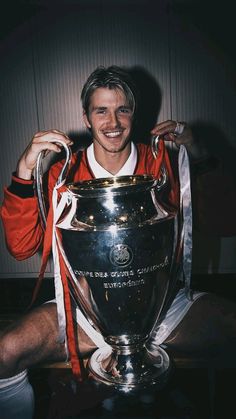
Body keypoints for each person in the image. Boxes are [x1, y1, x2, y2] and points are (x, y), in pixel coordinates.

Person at [0, 65, 236, 419]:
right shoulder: (64, 173)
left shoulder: (161, 162)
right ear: (86, 116)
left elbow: (224, 223)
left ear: (133, 113)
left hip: (163, 308)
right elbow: (21, 247)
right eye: (101, 110)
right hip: (86, 314)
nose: (113, 121)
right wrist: (23, 170)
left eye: (122, 109)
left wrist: (197, 155)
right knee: (5, 353)